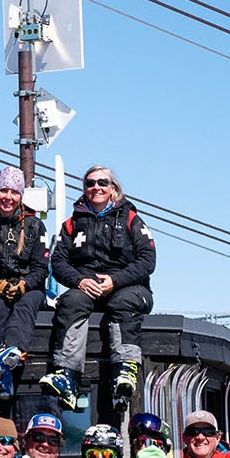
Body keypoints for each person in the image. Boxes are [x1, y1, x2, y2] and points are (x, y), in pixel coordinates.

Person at [42, 165, 156, 409]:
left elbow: (148, 259)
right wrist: (79, 281)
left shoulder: (131, 219)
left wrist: (115, 281)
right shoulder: (72, 223)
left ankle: (125, 371)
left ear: (113, 188)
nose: (96, 187)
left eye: (102, 182)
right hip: (86, 286)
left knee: (122, 301)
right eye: (90, 183)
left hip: (127, 286)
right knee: (70, 301)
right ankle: (67, 376)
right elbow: (58, 261)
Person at [0, 166, 50, 397]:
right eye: (3, 191)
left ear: (21, 196)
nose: (8, 197)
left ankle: (11, 349)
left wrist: (24, 285)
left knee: (26, 305)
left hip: (29, 287)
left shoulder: (35, 225)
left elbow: (41, 267)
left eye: (14, 192)